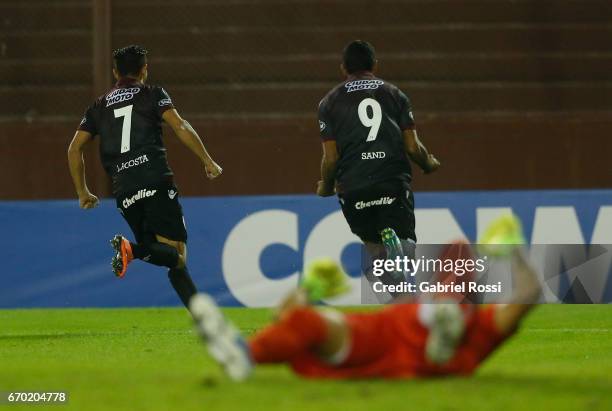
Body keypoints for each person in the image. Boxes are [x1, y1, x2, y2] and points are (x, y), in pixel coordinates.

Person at [189, 215, 540, 381]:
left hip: (380, 339)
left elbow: (286, 318)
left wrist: (308, 290)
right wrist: (515, 252)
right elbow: (529, 294)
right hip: (414, 351)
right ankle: (242, 354)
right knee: (305, 321)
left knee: (306, 321)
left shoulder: (477, 328)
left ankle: (245, 353)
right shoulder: (484, 329)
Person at [67, 45, 222, 310]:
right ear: (144, 69)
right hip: (154, 179)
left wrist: (82, 191)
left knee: (166, 255)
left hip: (124, 189)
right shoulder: (152, 94)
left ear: (115, 71)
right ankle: (133, 250)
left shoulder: (98, 106)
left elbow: (74, 148)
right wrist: (207, 159)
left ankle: (202, 317)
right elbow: (179, 125)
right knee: (178, 256)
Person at [315, 40, 440, 284]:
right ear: (375, 64)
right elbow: (413, 147)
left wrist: (326, 186)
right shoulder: (395, 94)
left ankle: (399, 300)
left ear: (343, 68)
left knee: (377, 262)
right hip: (391, 181)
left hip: (353, 188)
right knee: (405, 254)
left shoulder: (328, 103)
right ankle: (397, 250)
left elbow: (330, 158)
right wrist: (428, 164)